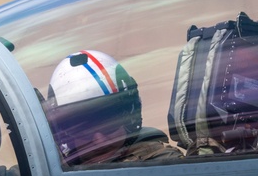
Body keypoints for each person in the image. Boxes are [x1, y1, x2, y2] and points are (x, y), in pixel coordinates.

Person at [43, 49, 177, 165]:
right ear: (64, 133)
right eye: (84, 128)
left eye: (108, 124)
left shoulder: (163, 165)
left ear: (129, 118)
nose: (100, 141)